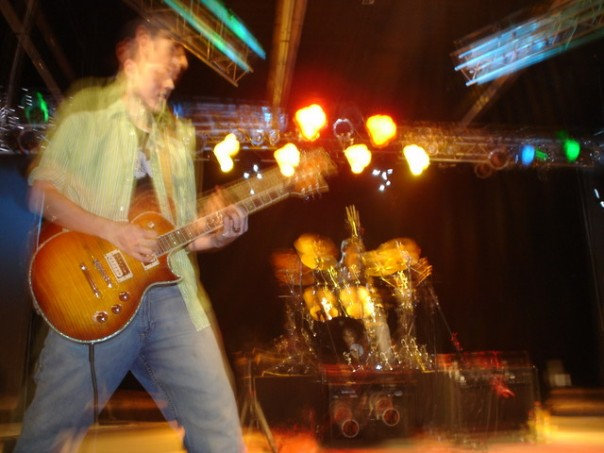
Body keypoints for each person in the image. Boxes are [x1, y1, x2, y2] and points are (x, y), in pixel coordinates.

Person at [16, 16, 247, 453]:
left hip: (173, 299)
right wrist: (113, 231)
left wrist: (218, 234)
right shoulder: (86, 113)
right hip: (92, 295)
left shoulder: (178, 139)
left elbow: (183, 236)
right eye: (167, 64)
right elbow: (41, 193)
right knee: (44, 440)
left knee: (221, 438)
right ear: (139, 48)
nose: (173, 77)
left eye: (177, 72)